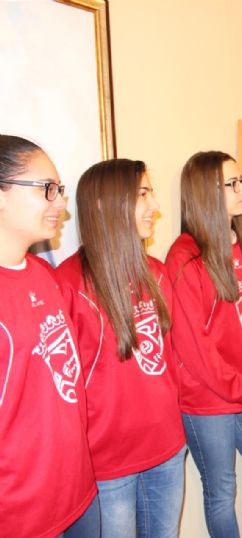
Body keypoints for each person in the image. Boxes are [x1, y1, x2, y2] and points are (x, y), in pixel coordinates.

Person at [56, 159, 186, 538]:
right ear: (104, 204)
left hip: (166, 446)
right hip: (105, 464)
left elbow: (170, 359)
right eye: (142, 194)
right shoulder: (66, 284)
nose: (155, 206)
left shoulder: (157, 272)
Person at [165, 151, 242, 538]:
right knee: (222, 491)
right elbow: (194, 346)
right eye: (231, 184)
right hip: (208, 399)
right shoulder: (185, 257)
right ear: (204, 193)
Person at [0, 134, 98, 537]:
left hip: (77, 491)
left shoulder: (42, 274)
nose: (61, 203)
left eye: (59, 190)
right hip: (21, 513)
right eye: (47, 190)